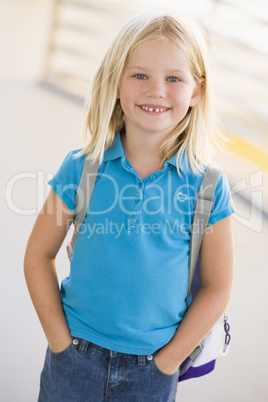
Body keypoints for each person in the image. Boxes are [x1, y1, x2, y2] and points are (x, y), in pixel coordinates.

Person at [24, 11, 235, 402]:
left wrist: (167, 363)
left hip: (152, 371)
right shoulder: (82, 167)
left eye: (174, 78)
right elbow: (38, 254)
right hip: (74, 359)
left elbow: (218, 287)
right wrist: (59, 342)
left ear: (196, 92)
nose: (156, 90)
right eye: (140, 75)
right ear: (116, 83)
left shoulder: (208, 186)